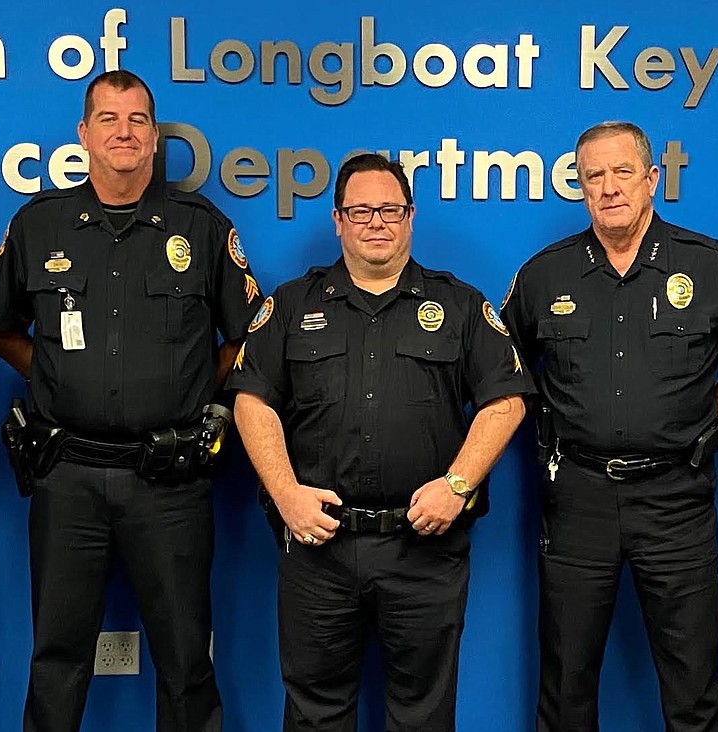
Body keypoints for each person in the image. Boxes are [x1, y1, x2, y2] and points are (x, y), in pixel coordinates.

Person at [0, 69, 261, 732]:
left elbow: (250, 337)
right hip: (67, 476)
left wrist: (197, 387)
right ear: (84, 133)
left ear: (155, 137)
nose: (124, 132)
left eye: (137, 120)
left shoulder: (199, 227)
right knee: (56, 658)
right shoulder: (39, 224)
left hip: (170, 479)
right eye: (108, 118)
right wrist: (50, 373)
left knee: (188, 661)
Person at [228, 153, 532, 732]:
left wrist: (457, 486)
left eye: (389, 209)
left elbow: (507, 400)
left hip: (424, 552)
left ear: (410, 216)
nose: (376, 222)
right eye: (361, 210)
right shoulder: (291, 305)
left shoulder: (461, 306)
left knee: (423, 715)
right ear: (338, 220)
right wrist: (286, 494)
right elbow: (250, 400)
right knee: (316, 712)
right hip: (320, 550)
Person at [501, 121, 718, 732]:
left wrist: (707, 420)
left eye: (622, 172)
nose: (608, 188)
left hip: (676, 500)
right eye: (592, 176)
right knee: (566, 690)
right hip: (577, 499)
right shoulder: (544, 276)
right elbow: (504, 373)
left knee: (693, 690)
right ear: (579, 187)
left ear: (652, 179)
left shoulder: (711, 266)